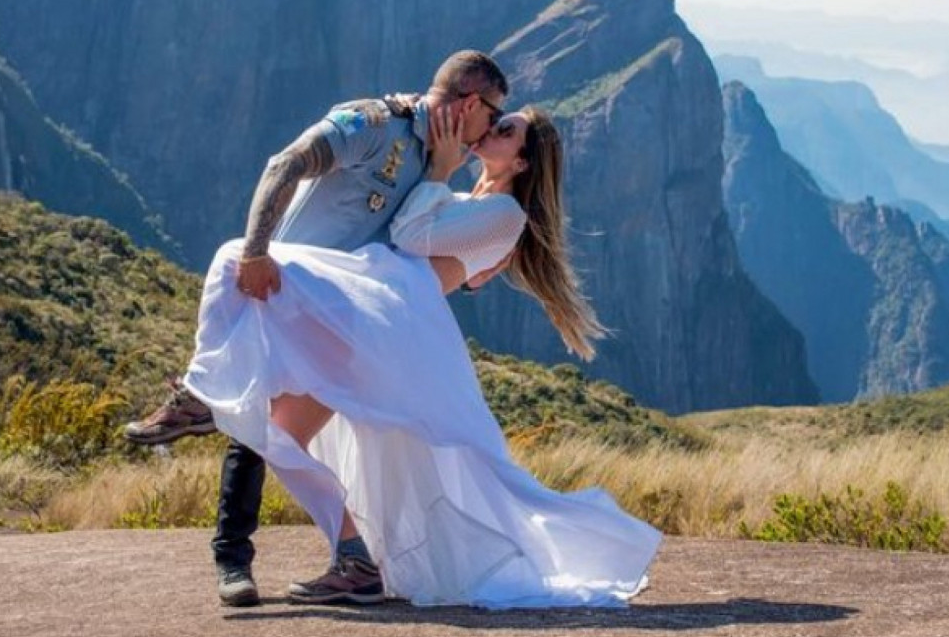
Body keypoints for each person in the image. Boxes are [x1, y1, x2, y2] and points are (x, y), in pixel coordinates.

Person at [184, 105, 662, 608]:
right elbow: (442, 254)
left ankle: (197, 396)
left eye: (505, 132)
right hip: (373, 320)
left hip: (392, 326)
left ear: (521, 163)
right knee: (278, 430)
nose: (489, 132)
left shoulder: (506, 215)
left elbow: (409, 237)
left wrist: (438, 169)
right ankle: (357, 561)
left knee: (241, 261)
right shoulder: (466, 204)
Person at [124, 50, 512, 607]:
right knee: (257, 423)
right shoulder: (374, 124)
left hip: (342, 325)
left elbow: (424, 249)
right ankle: (250, 553)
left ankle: (203, 405)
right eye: (492, 116)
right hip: (283, 295)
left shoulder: (439, 166)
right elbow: (286, 164)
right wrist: (258, 250)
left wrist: (459, 227)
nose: (488, 132)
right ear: (471, 103)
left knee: (266, 430)